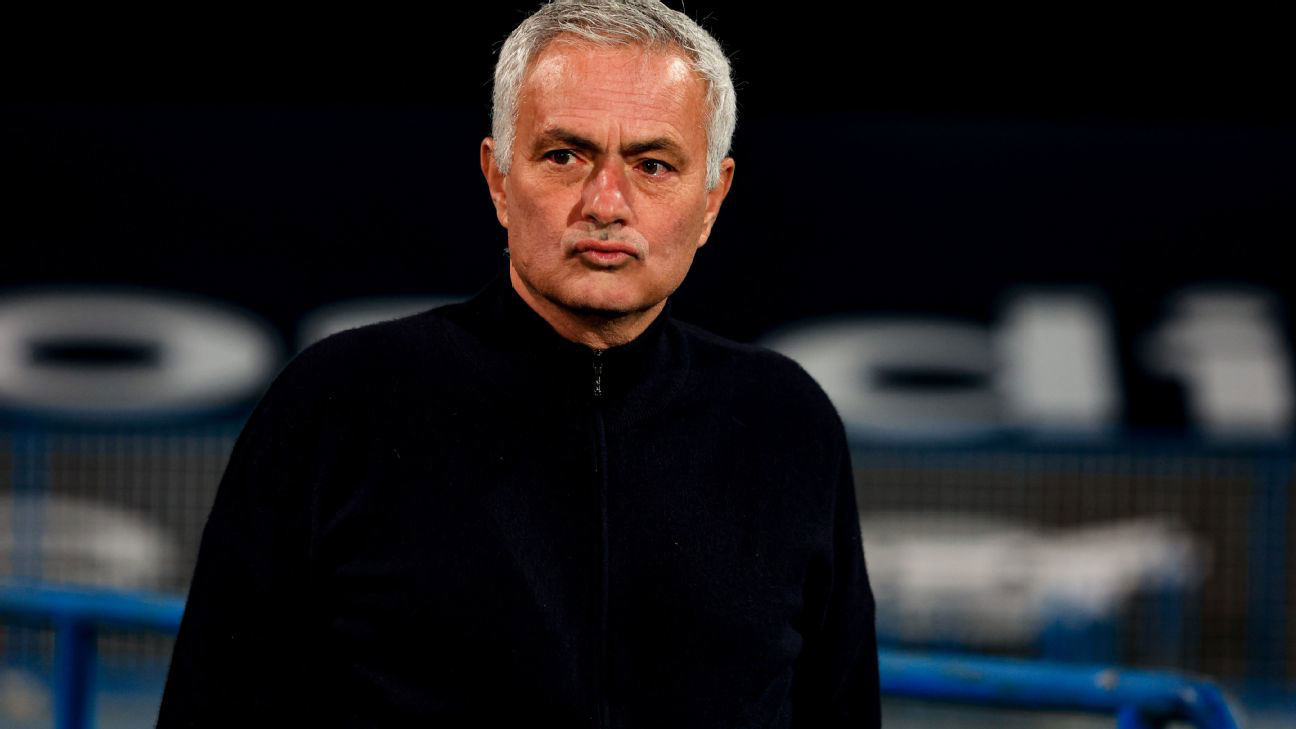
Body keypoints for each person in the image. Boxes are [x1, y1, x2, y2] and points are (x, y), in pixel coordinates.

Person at [156, 1, 880, 727]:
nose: (606, 203)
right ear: (499, 178)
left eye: (653, 164)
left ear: (712, 199)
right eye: (565, 155)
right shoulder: (338, 404)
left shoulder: (784, 423)